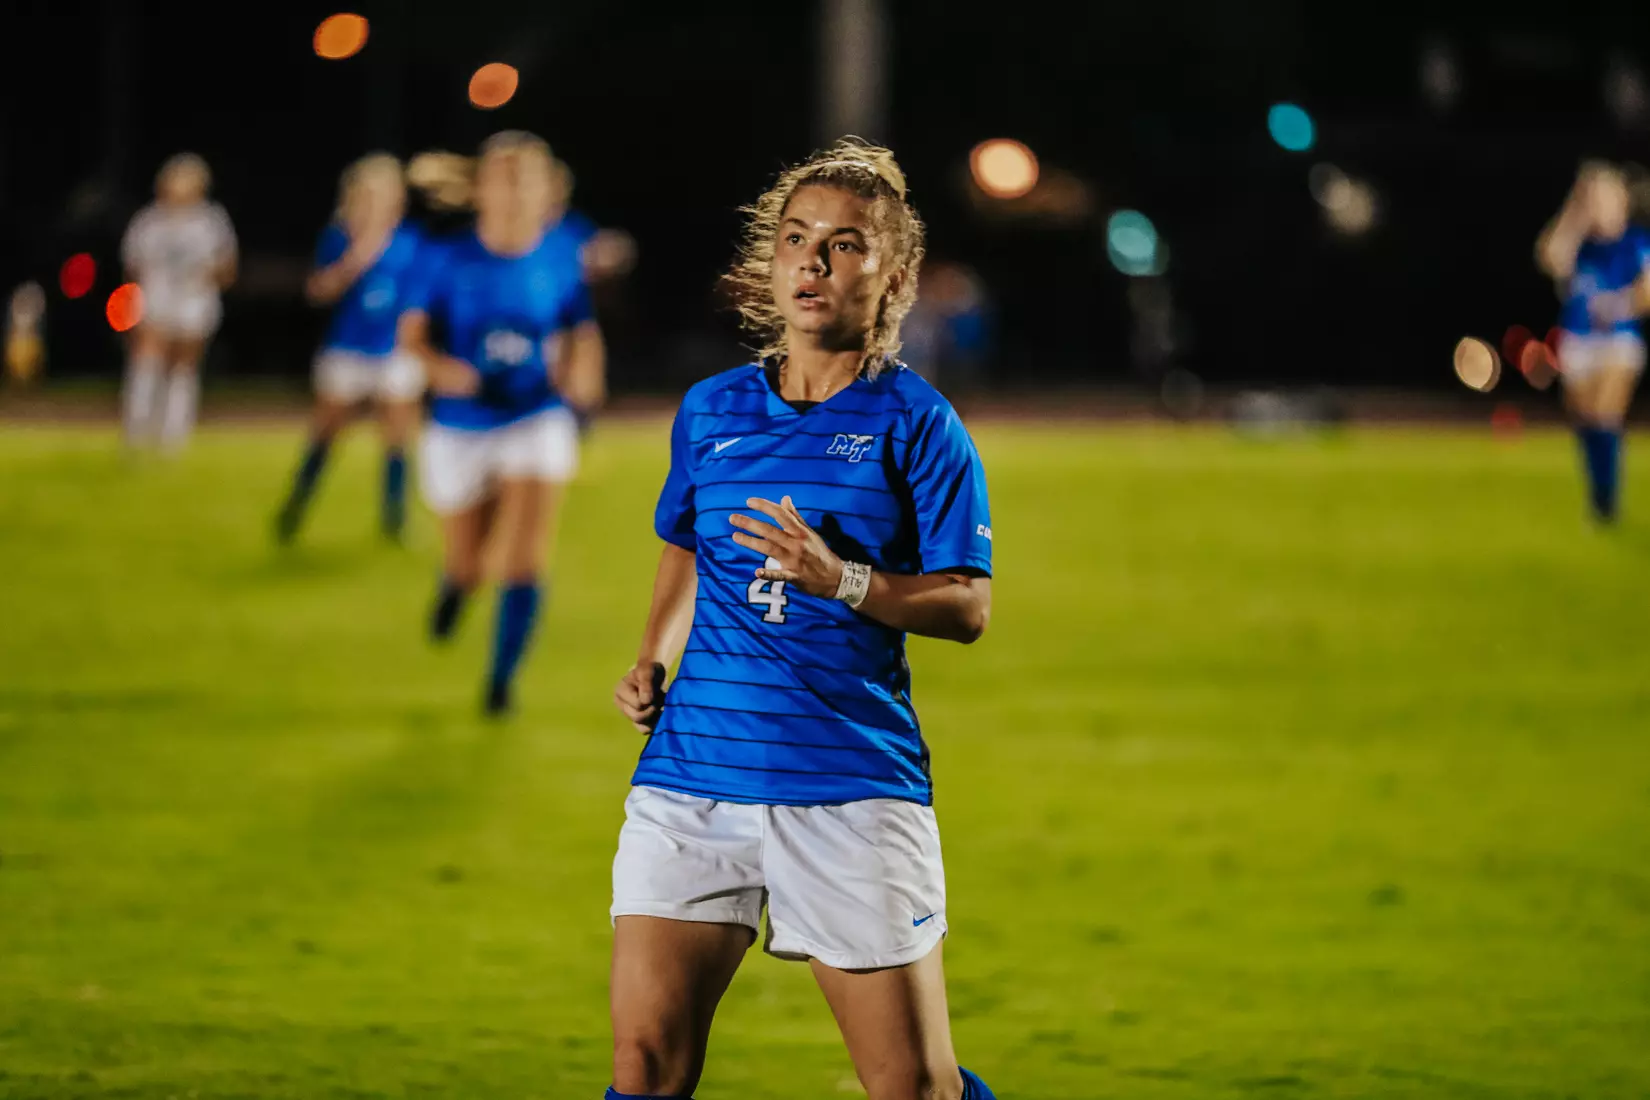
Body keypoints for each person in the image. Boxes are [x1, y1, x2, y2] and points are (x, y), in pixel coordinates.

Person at [607, 138, 999, 1100]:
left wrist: (846, 582)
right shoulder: (710, 412)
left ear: (893, 274)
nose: (813, 263)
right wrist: (651, 656)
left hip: (850, 786)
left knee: (911, 1086)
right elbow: (688, 541)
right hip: (693, 777)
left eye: (845, 245)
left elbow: (967, 605)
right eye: (795, 240)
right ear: (769, 261)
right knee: (645, 1063)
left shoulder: (919, 424)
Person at [399, 131, 605, 716]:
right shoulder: (445, 258)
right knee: (470, 562)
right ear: (481, 189)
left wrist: (583, 375)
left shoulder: (560, 254)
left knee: (524, 556)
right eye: (505, 181)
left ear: (544, 192)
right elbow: (411, 340)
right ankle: (457, 587)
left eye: (526, 183)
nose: (515, 194)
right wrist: (444, 370)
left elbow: (580, 329)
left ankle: (500, 684)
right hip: (461, 423)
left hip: (534, 414)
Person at [276, 154, 425, 543]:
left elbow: (416, 303)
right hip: (347, 347)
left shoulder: (409, 241)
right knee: (326, 430)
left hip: (391, 348)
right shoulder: (339, 237)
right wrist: (353, 261)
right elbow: (318, 290)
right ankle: (296, 504)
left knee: (397, 432)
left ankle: (395, 519)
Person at [1537, 160, 1650, 522]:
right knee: (1586, 421)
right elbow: (1551, 258)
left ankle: (1607, 502)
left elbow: (1648, 292)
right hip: (1578, 339)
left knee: (1605, 414)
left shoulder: (1636, 242)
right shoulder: (1579, 243)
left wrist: (1619, 305)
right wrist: (1575, 212)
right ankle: (1599, 493)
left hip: (1619, 339)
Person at [119, 153, 237, 452]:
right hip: (155, 299)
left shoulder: (211, 222)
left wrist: (202, 279)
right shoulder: (149, 221)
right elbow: (132, 268)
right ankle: (136, 432)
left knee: (183, 368)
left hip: (194, 303)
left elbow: (227, 269)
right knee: (146, 362)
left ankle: (173, 438)